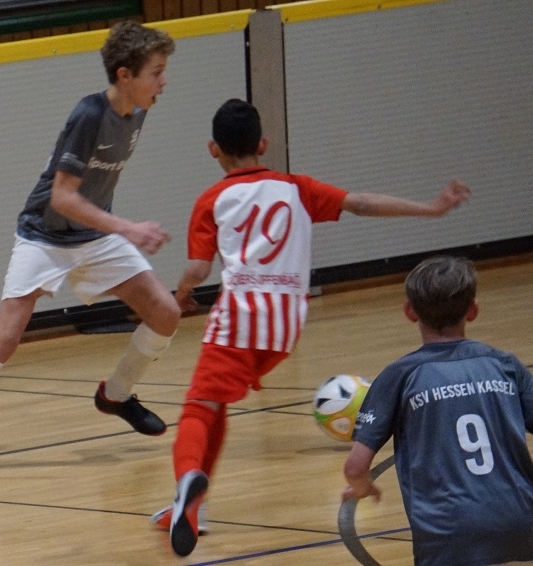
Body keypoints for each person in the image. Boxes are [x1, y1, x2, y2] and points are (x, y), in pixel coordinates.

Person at [150, 98, 473, 557]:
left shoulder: (212, 200)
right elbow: (361, 203)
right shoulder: (296, 188)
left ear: (213, 149)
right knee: (216, 402)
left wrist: (180, 294)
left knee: (198, 408)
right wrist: (431, 209)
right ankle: (192, 508)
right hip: (285, 328)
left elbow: (199, 269)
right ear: (263, 144)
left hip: (241, 317)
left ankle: (187, 482)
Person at [0, 21, 179, 478]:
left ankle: (116, 395)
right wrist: (128, 228)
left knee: (165, 313)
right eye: (156, 72)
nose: (164, 81)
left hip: (93, 236)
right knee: (6, 338)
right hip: (44, 237)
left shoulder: (138, 111)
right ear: (125, 75)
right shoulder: (89, 114)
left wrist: (115, 230)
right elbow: (63, 197)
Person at [343, 255, 533, 566]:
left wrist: (363, 488)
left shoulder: (399, 376)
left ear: (409, 311)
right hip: (521, 518)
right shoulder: (505, 365)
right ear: (473, 310)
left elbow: (355, 468)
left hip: (446, 530)